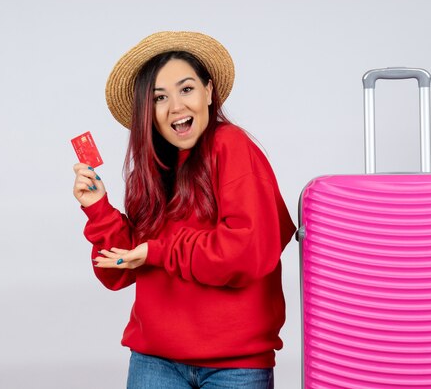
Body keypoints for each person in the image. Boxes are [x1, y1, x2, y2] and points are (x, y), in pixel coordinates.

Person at [72, 31, 296, 389]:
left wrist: (158, 251)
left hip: (234, 366)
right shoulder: (151, 168)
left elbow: (248, 252)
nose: (176, 106)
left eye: (186, 89)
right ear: (148, 110)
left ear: (209, 91)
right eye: (160, 97)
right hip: (154, 362)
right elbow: (117, 272)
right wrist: (98, 209)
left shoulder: (231, 145)